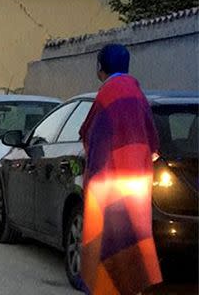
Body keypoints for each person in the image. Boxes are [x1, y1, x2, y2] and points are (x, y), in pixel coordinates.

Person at [78, 44, 162, 295]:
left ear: (101, 66)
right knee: (132, 237)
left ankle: (106, 289)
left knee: (105, 239)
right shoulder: (138, 94)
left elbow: (93, 135)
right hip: (138, 182)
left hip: (110, 180)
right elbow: (153, 143)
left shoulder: (107, 93)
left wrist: (91, 178)